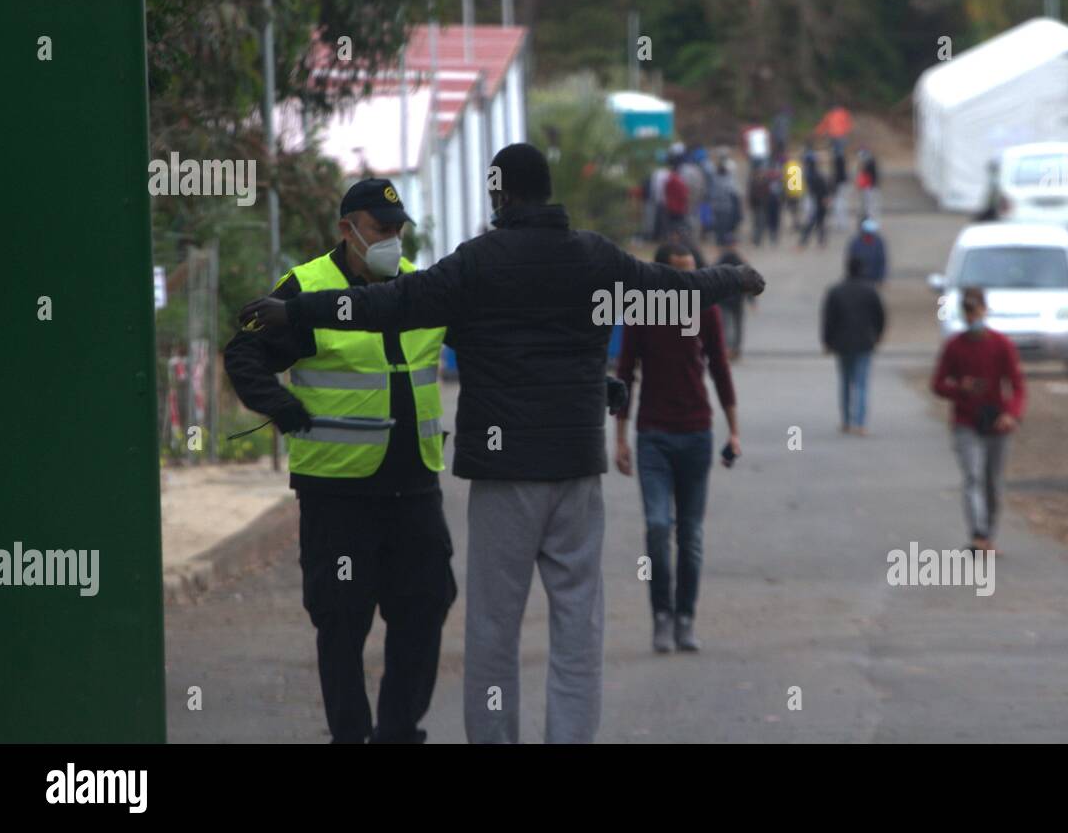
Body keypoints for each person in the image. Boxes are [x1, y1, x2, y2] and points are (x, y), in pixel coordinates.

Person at [237, 144, 765, 744]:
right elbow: (674, 288)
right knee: (576, 625)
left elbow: (386, 304)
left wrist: (295, 311)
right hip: (574, 474)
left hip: (504, 475)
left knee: (493, 630)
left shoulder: (475, 265)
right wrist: (734, 277)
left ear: (502, 194)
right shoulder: (594, 257)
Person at [224, 178, 456, 744]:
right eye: (380, 230)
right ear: (346, 229)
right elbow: (244, 351)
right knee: (342, 619)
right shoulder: (305, 287)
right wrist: (279, 406)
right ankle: (351, 735)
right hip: (338, 495)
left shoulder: (419, 292)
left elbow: (496, 348)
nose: (391, 242)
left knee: (424, 610)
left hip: (414, 489)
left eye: (398, 231)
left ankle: (399, 732)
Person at [614, 242, 741, 653]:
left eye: (693, 271)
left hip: (696, 434)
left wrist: (734, 431)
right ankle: (661, 617)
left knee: (690, 534)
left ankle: (685, 616)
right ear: (660, 274)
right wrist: (620, 437)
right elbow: (625, 375)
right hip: (653, 437)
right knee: (656, 528)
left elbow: (720, 370)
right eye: (679, 271)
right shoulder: (641, 311)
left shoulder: (707, 311)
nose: (689, 279)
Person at [929, 287, 1026, 553]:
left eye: (976, 311)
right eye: (968, 312)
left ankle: (988, 535)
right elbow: (937, 384)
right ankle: (977, 532)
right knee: (972, 476)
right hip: (966, 422)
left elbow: (1017, 385)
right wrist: (960, 387)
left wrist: (1011, 414)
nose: (972, 317)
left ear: (984, 310)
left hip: (996, 421)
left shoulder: (1001, 345)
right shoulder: (955, 346)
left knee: (992, 481)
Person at [821, 255, 886, 435]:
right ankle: (860, 423)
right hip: (865, 341)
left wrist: (827, 341)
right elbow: (880, 315)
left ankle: (846, 421)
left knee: (845, 382)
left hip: (841, 343)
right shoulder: (870, 291)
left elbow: (828, 319)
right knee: (862, 383)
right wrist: (878, 334)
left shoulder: (836, 291)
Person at [715, 246, 750, 360]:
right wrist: (751, 299)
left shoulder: (720, 263)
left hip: (725, 300)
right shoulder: (741, 262)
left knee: (727, 326)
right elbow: (750, 281)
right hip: (737, 300)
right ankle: (735, 349)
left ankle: (728, 349)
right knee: (736, 326)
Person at [798, 149, 831, 248]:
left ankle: (805, 241)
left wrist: (824, 197)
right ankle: (819, 242)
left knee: (814, 221)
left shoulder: (811, 174)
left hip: (817, 200)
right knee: (819, 221)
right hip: (817, 199)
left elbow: (820, 186)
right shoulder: (813, 173)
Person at [710, 159, 743, 246]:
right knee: (724, 225)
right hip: (725, 207)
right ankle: (722, 241)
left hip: (716, 206)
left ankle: (719, 240)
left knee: (718, 225)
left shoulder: (714, 179)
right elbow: (734, 193)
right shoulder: (728, 181)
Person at [846, 217, 888, 283]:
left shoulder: (878, 243)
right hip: (859, 278)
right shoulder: (855, 243)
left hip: (874, 277)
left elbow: (882, 261)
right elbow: (851, 261)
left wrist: (881, 277)